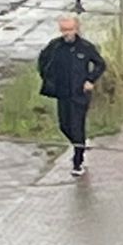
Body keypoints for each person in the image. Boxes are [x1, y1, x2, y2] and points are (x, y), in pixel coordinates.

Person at [36, 13, 105, 178]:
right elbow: (42, 61)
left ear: (76, 29)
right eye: (64, 30)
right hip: (62, 93)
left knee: (76, 126)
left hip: (80, 94)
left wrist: (90, 80)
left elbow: (100, 64)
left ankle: (77, 161)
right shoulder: (55, 46)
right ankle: (79, 143)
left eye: (70, 29)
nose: (67, 33)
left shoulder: (85, 47)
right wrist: (47, 78)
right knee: (64, 126)